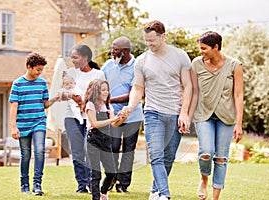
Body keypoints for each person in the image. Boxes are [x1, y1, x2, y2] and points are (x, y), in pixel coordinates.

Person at [122, 20, 193, 200]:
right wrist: (130, 107)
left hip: (176, 113)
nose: (149, 44)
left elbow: (188, 86)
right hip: (153, 112)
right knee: (155, 154)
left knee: (168, 157)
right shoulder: (142, 61)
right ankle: (164, 194)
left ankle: (155, 190)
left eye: (152, 40)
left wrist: (185, 112)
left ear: (163, 36)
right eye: (146, 41)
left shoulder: (180, 56)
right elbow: (138, 88)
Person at [190, 31, 243, 200]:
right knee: (206, 151)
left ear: (216, 47)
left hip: (226, 117)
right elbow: (193, 92)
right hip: (204, 115)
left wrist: (239, 124)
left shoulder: (235, 65)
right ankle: (204, 178)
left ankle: (215, 197)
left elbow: (238, 95)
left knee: (221, 158)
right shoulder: (197, 64)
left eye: (204, 48)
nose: (201, 51)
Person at [9, 52, 59, 195]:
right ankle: (24, 185)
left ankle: (37, 185)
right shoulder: (17, 84)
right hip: (23, 124)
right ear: (29, 67)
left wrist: (57, 97)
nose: (39, 72)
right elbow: (14, 106)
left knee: (39, 151)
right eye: (38, 69)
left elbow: (45, 104)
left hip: (39, 122)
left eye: (41, 70)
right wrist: (14, 127)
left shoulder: (42, 83)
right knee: (25, 155)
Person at [101, 36, 144, 193]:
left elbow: (133, 93)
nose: (112, 52)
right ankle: (111, 177)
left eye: (116, 49)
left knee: (128, 150)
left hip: (132, 115)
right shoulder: (108, 66)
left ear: (125, 51)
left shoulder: (137, 67)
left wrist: (109, 99)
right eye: (112, 48)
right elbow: (99, 84)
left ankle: (123, 184)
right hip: (113, 116)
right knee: (112, 147)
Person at [63, 44, 105, 194]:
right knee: (77, 153)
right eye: (71, 57)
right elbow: (62, 91)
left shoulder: (98, 74)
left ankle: (91, 183)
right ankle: (82, 185)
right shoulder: (71, 74)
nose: (72, 60)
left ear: (85, 58)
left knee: (90, 152)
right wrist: (70, 96)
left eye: (75, 57)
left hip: (89, 117)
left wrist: (83, 101)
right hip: (71, 117)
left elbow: (102, 96)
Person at [83, 79, 127, 200]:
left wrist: (122, 118)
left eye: (107, 89)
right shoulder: (90, 105)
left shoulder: (108, 106)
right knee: (96, 173)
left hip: (106, 140)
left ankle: (103, 191)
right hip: (94, 139)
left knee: (111, 172)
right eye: (103, 90)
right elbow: (95, 124)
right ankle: (96, 197)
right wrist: (112, 120)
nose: (106, 92)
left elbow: (114, 124)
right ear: (96, 91)